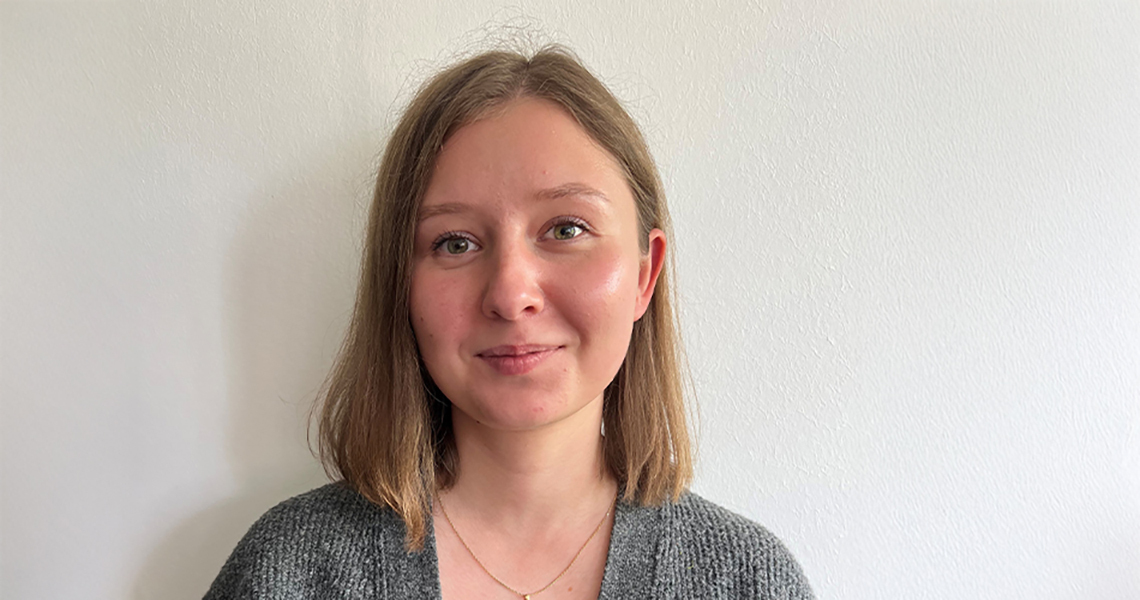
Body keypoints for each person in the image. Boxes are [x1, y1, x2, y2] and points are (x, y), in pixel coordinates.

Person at [204, 46, 814, 600]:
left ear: (643, 274)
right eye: (455, 242)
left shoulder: (749, 582)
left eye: (566, 229)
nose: (510, 293)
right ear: (401, 286)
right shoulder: (288, 573)